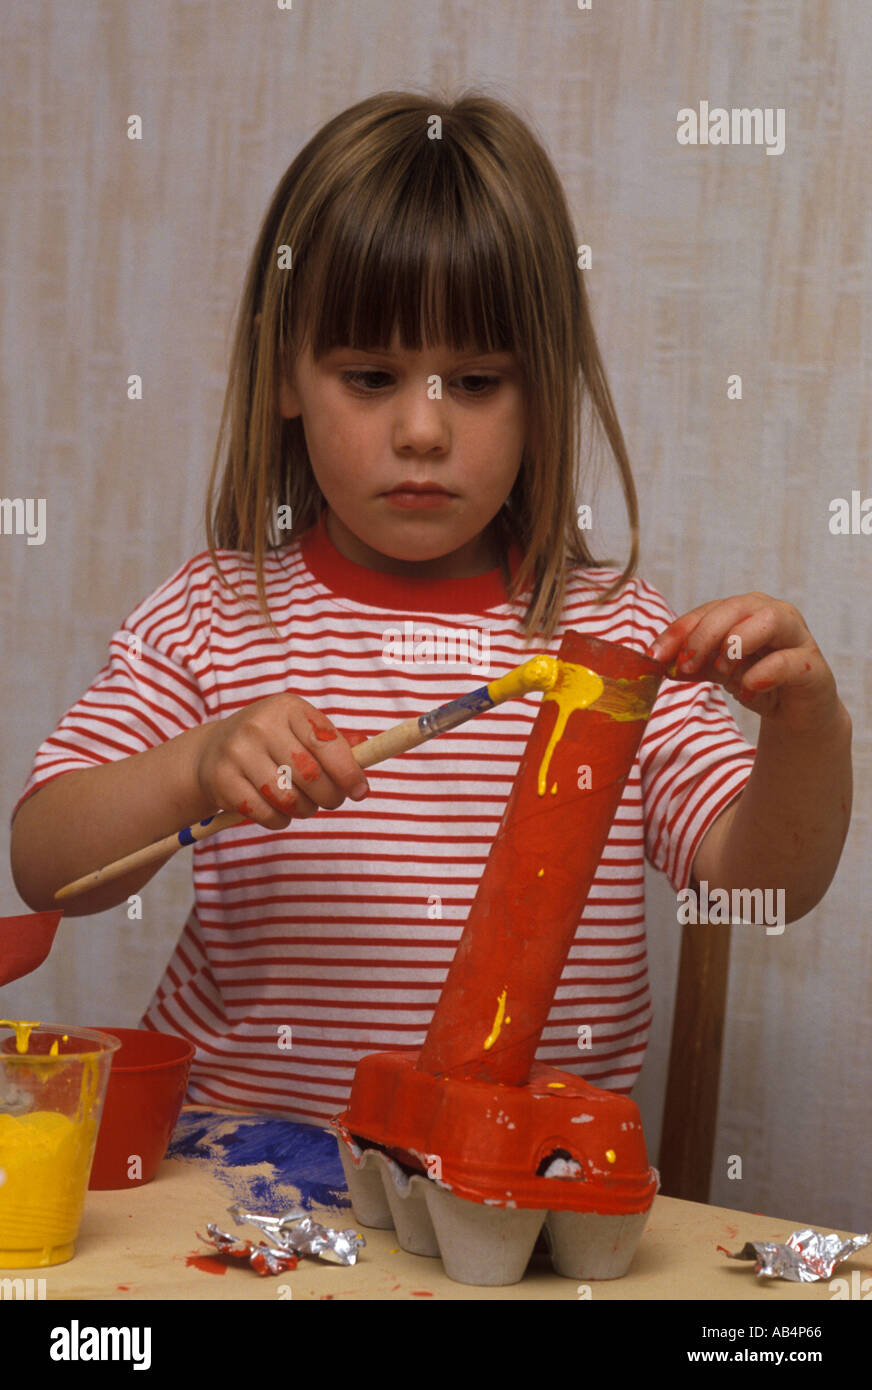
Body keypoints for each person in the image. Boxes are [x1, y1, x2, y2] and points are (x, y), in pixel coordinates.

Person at [9, 91, 851, 1124]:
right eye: (370, 376)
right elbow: (50, 868)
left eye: (477, 380)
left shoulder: (616, 642)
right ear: (286, 373)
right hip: (234, 1189)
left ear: (542, 389)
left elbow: (751, 880)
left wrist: (805, 728)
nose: (421, 429)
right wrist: (194, 764)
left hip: (514, 1207)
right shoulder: (214, 615)